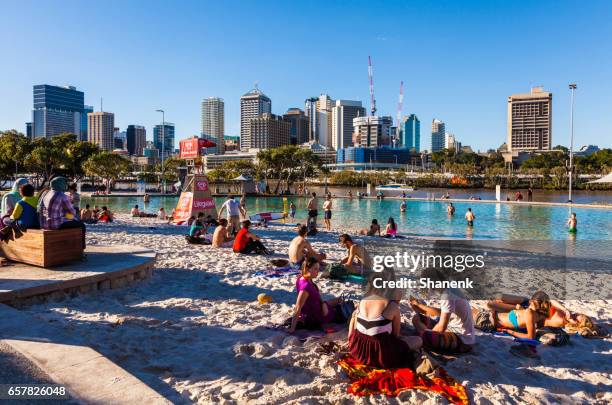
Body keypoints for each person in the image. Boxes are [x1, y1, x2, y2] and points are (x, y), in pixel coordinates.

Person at [349, 269, 421, 368]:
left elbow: (354, 325)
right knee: (418, 340)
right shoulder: (391, 306)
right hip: (381, 356)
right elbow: (395, 335)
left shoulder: (362, 301)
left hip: (358, 350)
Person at [410, 276, 476, 354]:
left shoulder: (447, 295)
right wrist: (420, 306)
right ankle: (425, 334)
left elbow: (442, 327)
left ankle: (424, 335)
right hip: (453, 328)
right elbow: (443, 313)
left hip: (463, 340)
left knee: (427, 336)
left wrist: (429, 333)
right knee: (417, 318)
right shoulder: (451, 288)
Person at [288, 257, 341, 333]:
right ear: (307, 269)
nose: (318, 272)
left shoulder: (302, 278)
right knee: (342, 308)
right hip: (319, 314)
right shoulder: (305, 287)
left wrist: (323, 303)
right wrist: (292, 329)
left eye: (318, 269)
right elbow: (297, 307)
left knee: (339, 299)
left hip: (319, 306)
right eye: (315, 269)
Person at [472, 291, 551, 341]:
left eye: (531, 302)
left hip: (488, 320)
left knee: (463, 308)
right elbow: (537, 329)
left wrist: (510, 331)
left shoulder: (529, 313)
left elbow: (530, 337)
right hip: (489, 317)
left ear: (532, 302)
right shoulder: (541, 315)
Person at [39, 176, 86, 248]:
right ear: (61, 185)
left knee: (71, 218)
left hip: (43, 224)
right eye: (65, 183)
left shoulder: (45, 194)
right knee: (81, 225)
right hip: (55, 225)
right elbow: (72, 212)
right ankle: (81, 248)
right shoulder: (62, 195)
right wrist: (68, 214)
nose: (66, 185)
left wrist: (64, 213)